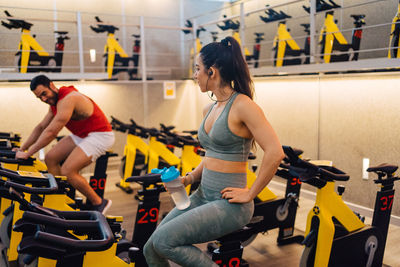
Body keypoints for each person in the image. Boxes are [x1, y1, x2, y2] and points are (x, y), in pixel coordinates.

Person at [143, 37, 285, 266]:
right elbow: (211, 155)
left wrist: (250, 193)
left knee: (163, 242)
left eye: (198, 69)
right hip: (202, 195)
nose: (194, 74)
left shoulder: (243, 105)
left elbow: (275, 152)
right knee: (150, 248)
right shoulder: (209, 108)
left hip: (229, 204)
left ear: (212, 72)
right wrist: (189, 178)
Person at [15, 75, 114, 214]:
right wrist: (22, 148)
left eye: (44, 94)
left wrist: (28, 154)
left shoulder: (68, 99)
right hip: (81, 135)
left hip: (100, 134)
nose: (44, 99)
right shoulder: (54, 104)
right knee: (50, 158)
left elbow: (51, 132)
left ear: (52, 85)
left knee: (68, 170)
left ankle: (99, 202)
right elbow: (41, 127)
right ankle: (62, 196)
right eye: (40, 98)